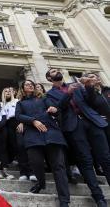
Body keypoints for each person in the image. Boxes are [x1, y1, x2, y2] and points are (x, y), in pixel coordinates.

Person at [46, 68, 110, 207]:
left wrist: (88, 86)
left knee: (106, 158)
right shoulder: (49, 94)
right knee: (85, 161)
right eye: (52, 71)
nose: (56, 71)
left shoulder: (74, 84)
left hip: (92, 121)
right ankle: (98, 197)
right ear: (49, 78)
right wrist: (67, 94)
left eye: (57, 70)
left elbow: (90, 100)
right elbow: (57, 109)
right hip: (73, 127)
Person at [16, 79, 70, 207]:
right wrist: (33, 121)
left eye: (31, 84)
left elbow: (57, 111)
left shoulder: (44, 99)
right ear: (22, 88)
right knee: (36, 163)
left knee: (59, 168)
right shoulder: (20, 103)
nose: (29, 85)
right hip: (33, 136)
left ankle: (64, 201)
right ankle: (41, 183)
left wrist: (54, 110)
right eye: (26, 84)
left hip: (51, 134)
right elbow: (18, 116)